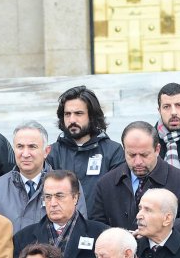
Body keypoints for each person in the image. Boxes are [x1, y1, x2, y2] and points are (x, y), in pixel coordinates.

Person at [90, 121, 180, 243]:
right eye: (132, 155)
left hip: (165, 256)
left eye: (144, 155)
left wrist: (157, 228)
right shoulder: (105, 184)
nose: (138, 161)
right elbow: (96, 227)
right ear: (124, 150)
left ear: (157, 149)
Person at [11, 169, 107, 258]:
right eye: (48, 197)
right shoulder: (23, 238)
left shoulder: (100, 234)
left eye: (59, 196)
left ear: (75, 198)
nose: (53, 203)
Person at [46, 85, 125, 214]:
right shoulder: (53, 153)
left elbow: (118, 197)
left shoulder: (113, 151)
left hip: (101, 229)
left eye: (78, 113)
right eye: (67, 114)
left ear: (92, 116)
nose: (72, 120)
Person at [0, 121, 66, 233]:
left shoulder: (66, 186)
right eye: (20, 147)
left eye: (32, 147)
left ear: (46, 151)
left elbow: (76, 229)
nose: (25, 154)